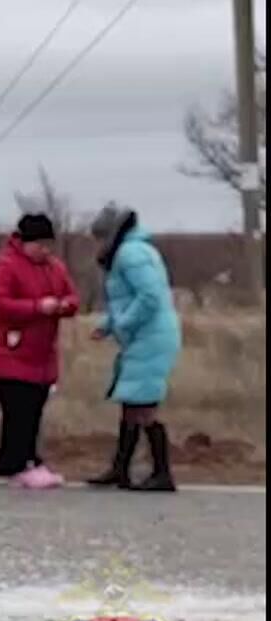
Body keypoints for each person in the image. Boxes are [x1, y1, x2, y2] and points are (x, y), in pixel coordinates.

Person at [84, 206, 182, 492]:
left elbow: (149, 297)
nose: (97, 245)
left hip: (150, 336)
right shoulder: (134, 252)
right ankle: (121, 468)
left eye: (99, 238)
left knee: (144, 404)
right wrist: (109, 325)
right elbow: (127, 301)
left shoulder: (130, 254)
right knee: (131, 400)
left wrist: (123, 324)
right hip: (146, 334)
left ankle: (162, 473)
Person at [0, 213, 81, 488]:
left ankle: (16, 460)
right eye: (39, 244)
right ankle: (20, 462)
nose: (45, 250)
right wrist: (37, 307)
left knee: (34, 410)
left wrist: (63, 305)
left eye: (48, 245)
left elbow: (73, 297)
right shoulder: (6, 266)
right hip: (12, 352)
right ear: (25, 242)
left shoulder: (55, 268)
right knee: (19, 411)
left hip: (42, 355)